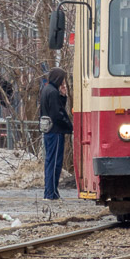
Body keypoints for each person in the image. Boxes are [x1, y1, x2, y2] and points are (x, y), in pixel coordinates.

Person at [40, 67, 73, 200]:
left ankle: (51, 191)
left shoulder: (46, 89)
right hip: (56, 130)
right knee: (55, 163)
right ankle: (51, 192)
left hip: (49, 130)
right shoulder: (53, 92)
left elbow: (55, 108)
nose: (64, 82)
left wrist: (63, 97)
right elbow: (58, 113)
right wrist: (69, 126)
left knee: (50, 161)